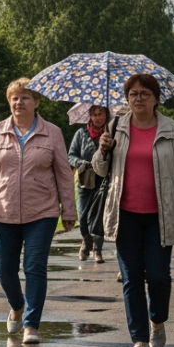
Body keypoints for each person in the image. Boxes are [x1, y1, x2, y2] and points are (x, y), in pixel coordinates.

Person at [92, 73, 174, 347]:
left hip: (160, 216)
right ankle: (139, 340)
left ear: (156, 98)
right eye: (133, 94)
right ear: (126, 98)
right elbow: (100, 171)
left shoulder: (171, 129)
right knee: (130, 279)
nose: (138, 98)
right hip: (124, 214)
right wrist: (102, 151)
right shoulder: (116, 127)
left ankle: (157, 321)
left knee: (157, 277)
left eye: (145, 93)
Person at [0, 78, 77, 345]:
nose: (19, 103)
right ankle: (17, 306)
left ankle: (31, 324)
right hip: (4, 212)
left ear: (37, 102)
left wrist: (69, 210)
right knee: (3, 269)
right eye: (15, 98)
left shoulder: (52, 133)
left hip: (42, 213)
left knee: (34, 267)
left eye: (25, 98)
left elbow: (64, 174)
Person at [68, 104, 110, 263]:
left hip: (103, 180)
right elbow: (71, 155)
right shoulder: (81, 134)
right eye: (94, 114)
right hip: (85, 179)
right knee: (83, 215)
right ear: (89, 116)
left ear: (106, 115)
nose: (98, 117)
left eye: (101, 114)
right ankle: (86, 239)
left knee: (100, 217)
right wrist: (82, 163)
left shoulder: (111, 133)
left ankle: (97, 250)